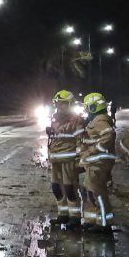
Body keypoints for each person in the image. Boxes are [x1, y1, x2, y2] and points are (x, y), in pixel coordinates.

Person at [78, 92, 118, 234]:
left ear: (94, 107)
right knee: (89, 192)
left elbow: (109, 135)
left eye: (87, 107)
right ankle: (91, 220)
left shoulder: (100, 121)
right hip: (94, 163)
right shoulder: (96, 120)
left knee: (97, 193)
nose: (86, 110)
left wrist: (93, 150)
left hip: (99, 163)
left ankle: (104, 224)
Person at [46, 90, 84, 227]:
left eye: (62, 104)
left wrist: (79, 158)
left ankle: (75, 217)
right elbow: (55, 139)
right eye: (57, 104)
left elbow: (81, 139)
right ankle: (63, 214)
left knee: (70, 188)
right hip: (56, 158)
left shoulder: (76, 119)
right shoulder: (54, 118)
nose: (59, 107)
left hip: (69, 158)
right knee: (56, 188)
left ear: (69, 104)